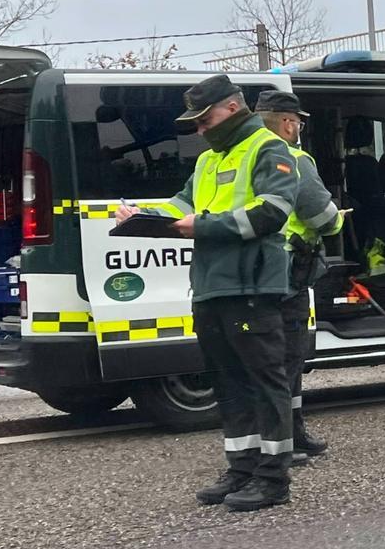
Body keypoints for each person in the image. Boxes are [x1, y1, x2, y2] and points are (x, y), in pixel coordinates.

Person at [115, 75, 299, 512]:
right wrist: (142, 216)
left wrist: (203, 226)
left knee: (264, 380)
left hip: (252, 284)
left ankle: (273, 478)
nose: (199, 130)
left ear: (232, 109)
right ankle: (242, 467)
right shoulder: (207, 162)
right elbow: (181, 207)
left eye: (204, 119)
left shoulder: (269, 148)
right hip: (212, 285)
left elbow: (273, 213)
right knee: (228, 381)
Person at [255, 90, 342, 465]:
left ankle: (290, 433)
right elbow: (322, 217)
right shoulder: (294, 159)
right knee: (289, 357)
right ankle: (285, 440)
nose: (299, 129)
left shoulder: (242, 156)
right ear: (288, 123)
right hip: (289, 269)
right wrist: (337, 218)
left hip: (253, 269)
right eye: (298, 123)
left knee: (266, 358)